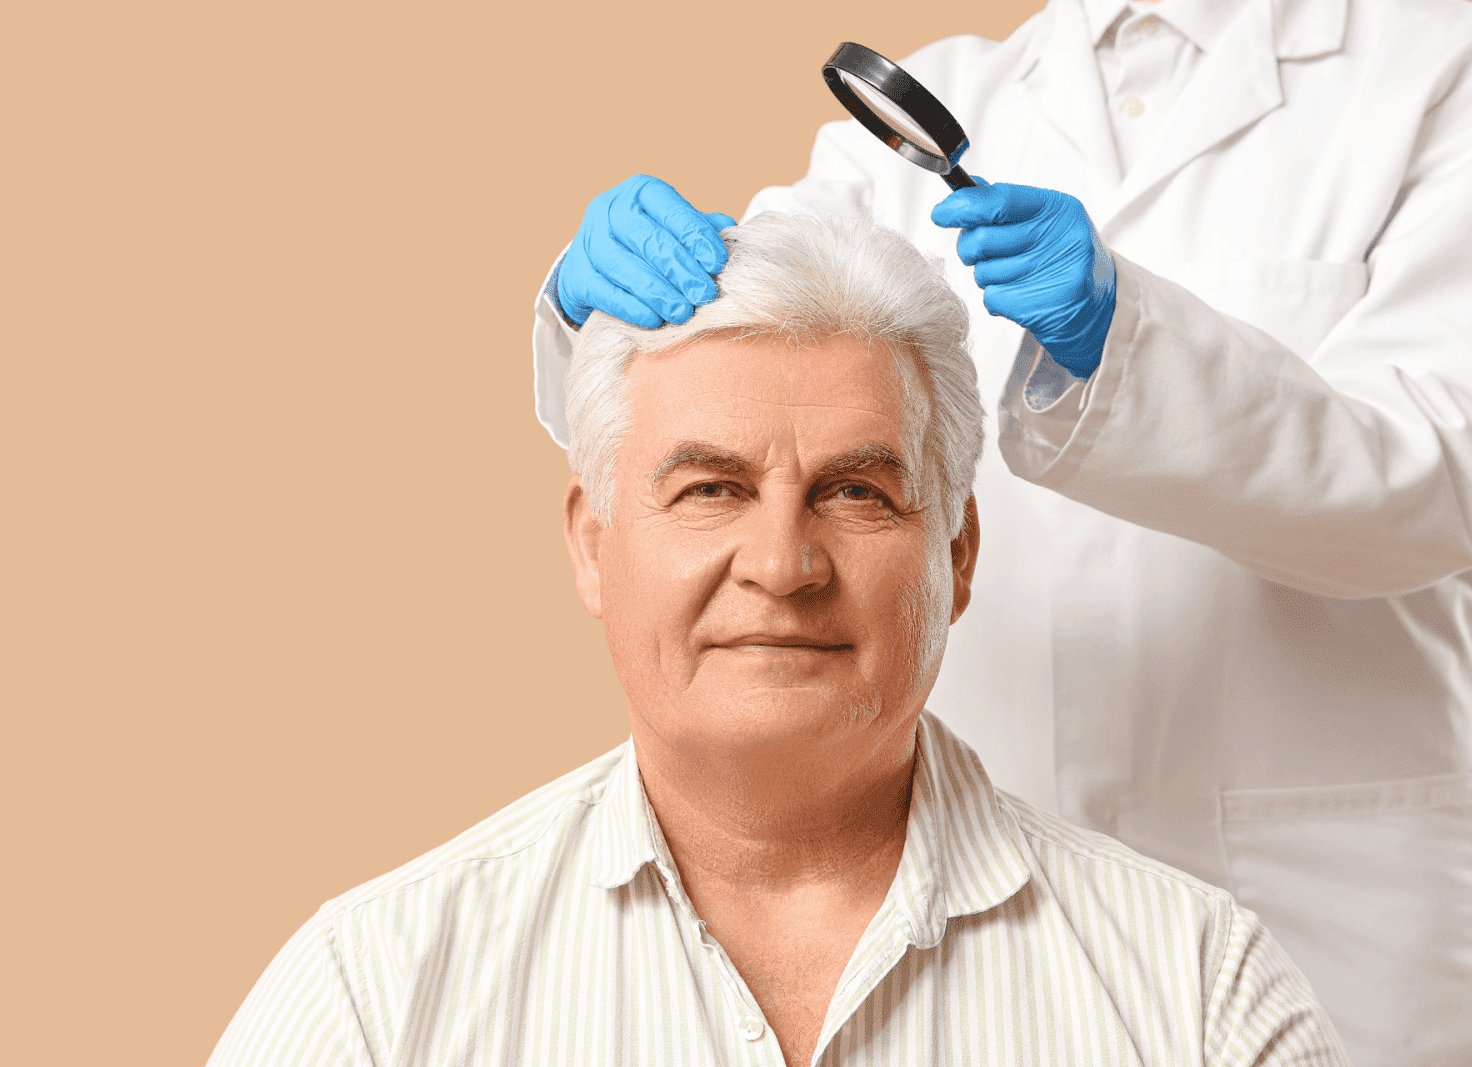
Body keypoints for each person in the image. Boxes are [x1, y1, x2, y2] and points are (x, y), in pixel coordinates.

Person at [528, 1, 1472, 1063]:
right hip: (979, 897)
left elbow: (1442, 479)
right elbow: (718, 394)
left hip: (1326, 910)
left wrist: (1125, 341)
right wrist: (585, 309)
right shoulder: (929, 116)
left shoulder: (1450, 78)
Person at [210, 213, 1348, 1066]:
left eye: (855, 492)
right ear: (591, 542)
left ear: (956, 554)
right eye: (709, 487)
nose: (781, 563)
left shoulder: (1199, 991)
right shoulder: (374, 989)